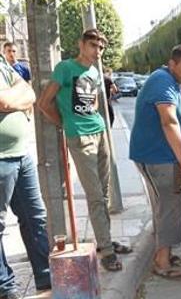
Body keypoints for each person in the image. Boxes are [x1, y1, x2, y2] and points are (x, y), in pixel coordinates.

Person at [38, 28, 130, 272]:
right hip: (80, 137)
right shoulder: (65, 68)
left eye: (101, 48)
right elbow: (44, 103)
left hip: (100, 133)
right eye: (93, 45)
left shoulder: (94, 72)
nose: (97, 51)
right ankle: (107, 252)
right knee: (95, 196)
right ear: (81, 44)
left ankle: (105, 241)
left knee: (105, 193)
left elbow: (95, 103)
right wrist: (65, 123)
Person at [130, 45, 181, 279]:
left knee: (165, 206)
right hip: (155, 156)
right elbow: (169, 121)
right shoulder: (162, 81)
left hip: (165, 154)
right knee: (171, 205)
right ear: (171, 64)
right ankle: (161, 262)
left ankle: (165, 254)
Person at [0, 51, 51, 299]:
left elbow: (29, 92)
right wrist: (14, 98)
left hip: (21, 154)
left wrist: (15, 98)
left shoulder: (1, 63)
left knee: (35, 217)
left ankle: (45, 275)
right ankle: (5, 287)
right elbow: (3, 100)